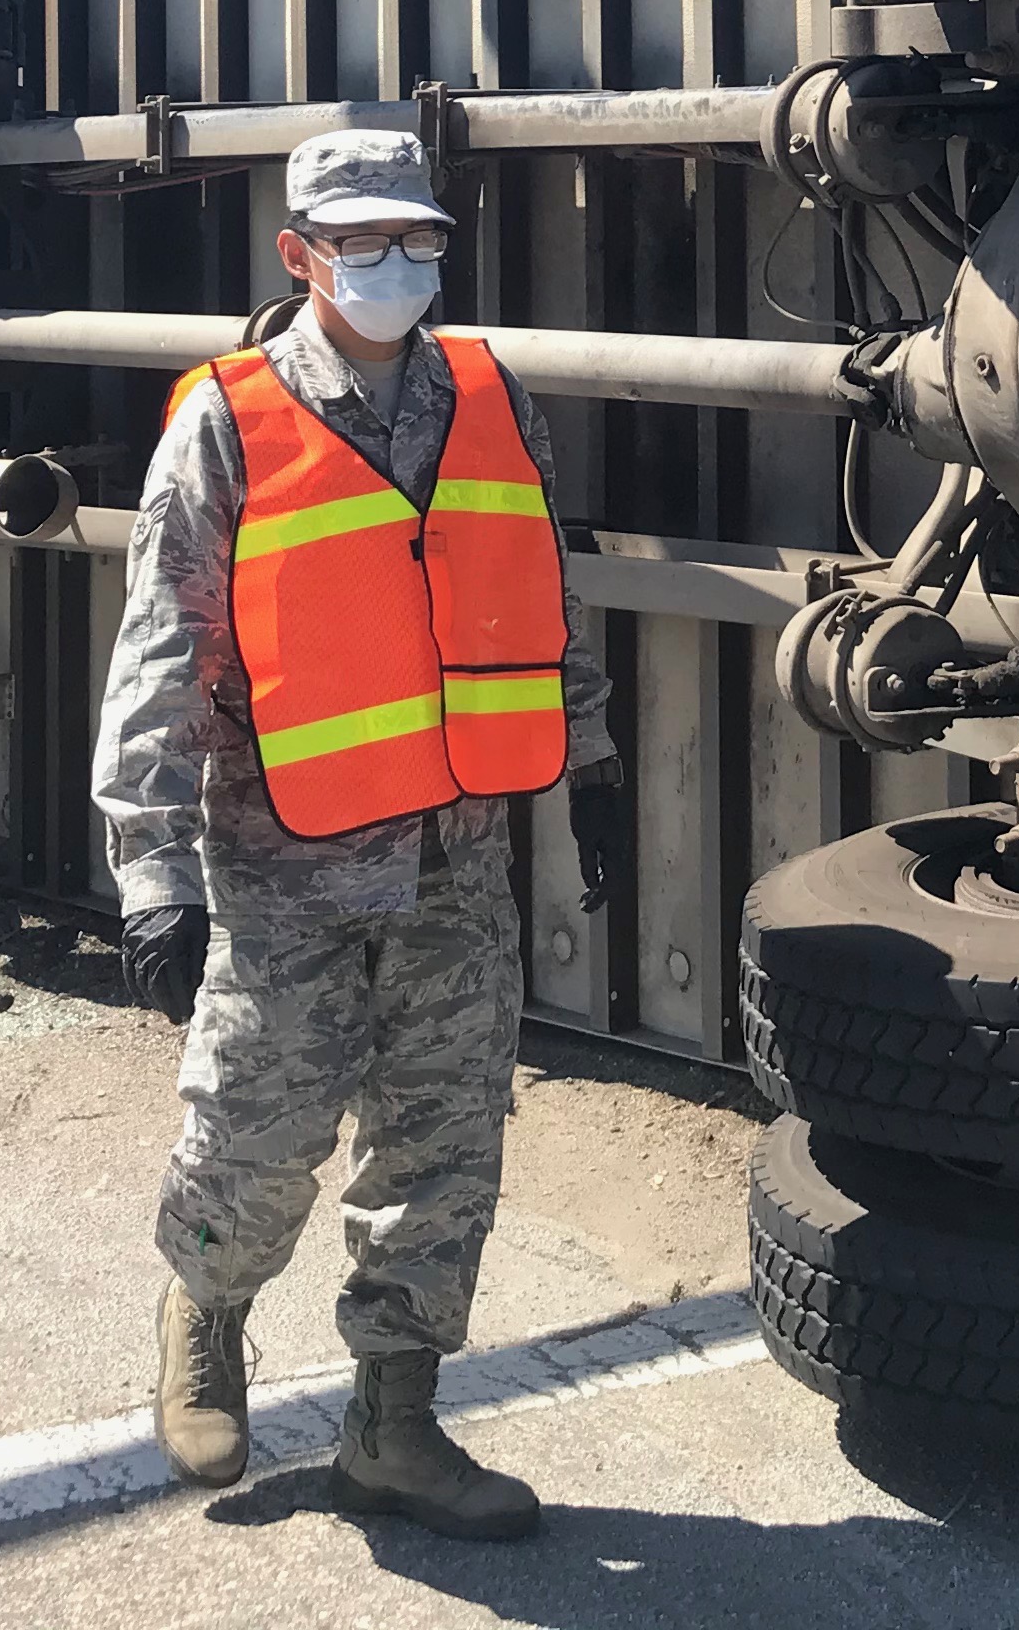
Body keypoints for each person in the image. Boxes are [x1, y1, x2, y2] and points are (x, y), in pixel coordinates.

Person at [94, 127, 632, 1536]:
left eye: (420, 241)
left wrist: (589, 761)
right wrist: (150, 867)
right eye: (366, 244)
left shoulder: (487, 392)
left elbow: (537, 589)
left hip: (460, 853)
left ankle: (395, 1429)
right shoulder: (228, 415)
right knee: (259, 1131)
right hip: (288, 858)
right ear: (302, 256)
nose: (399, 267)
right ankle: (205, 1315)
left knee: (444, 1143)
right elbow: (161, 645)